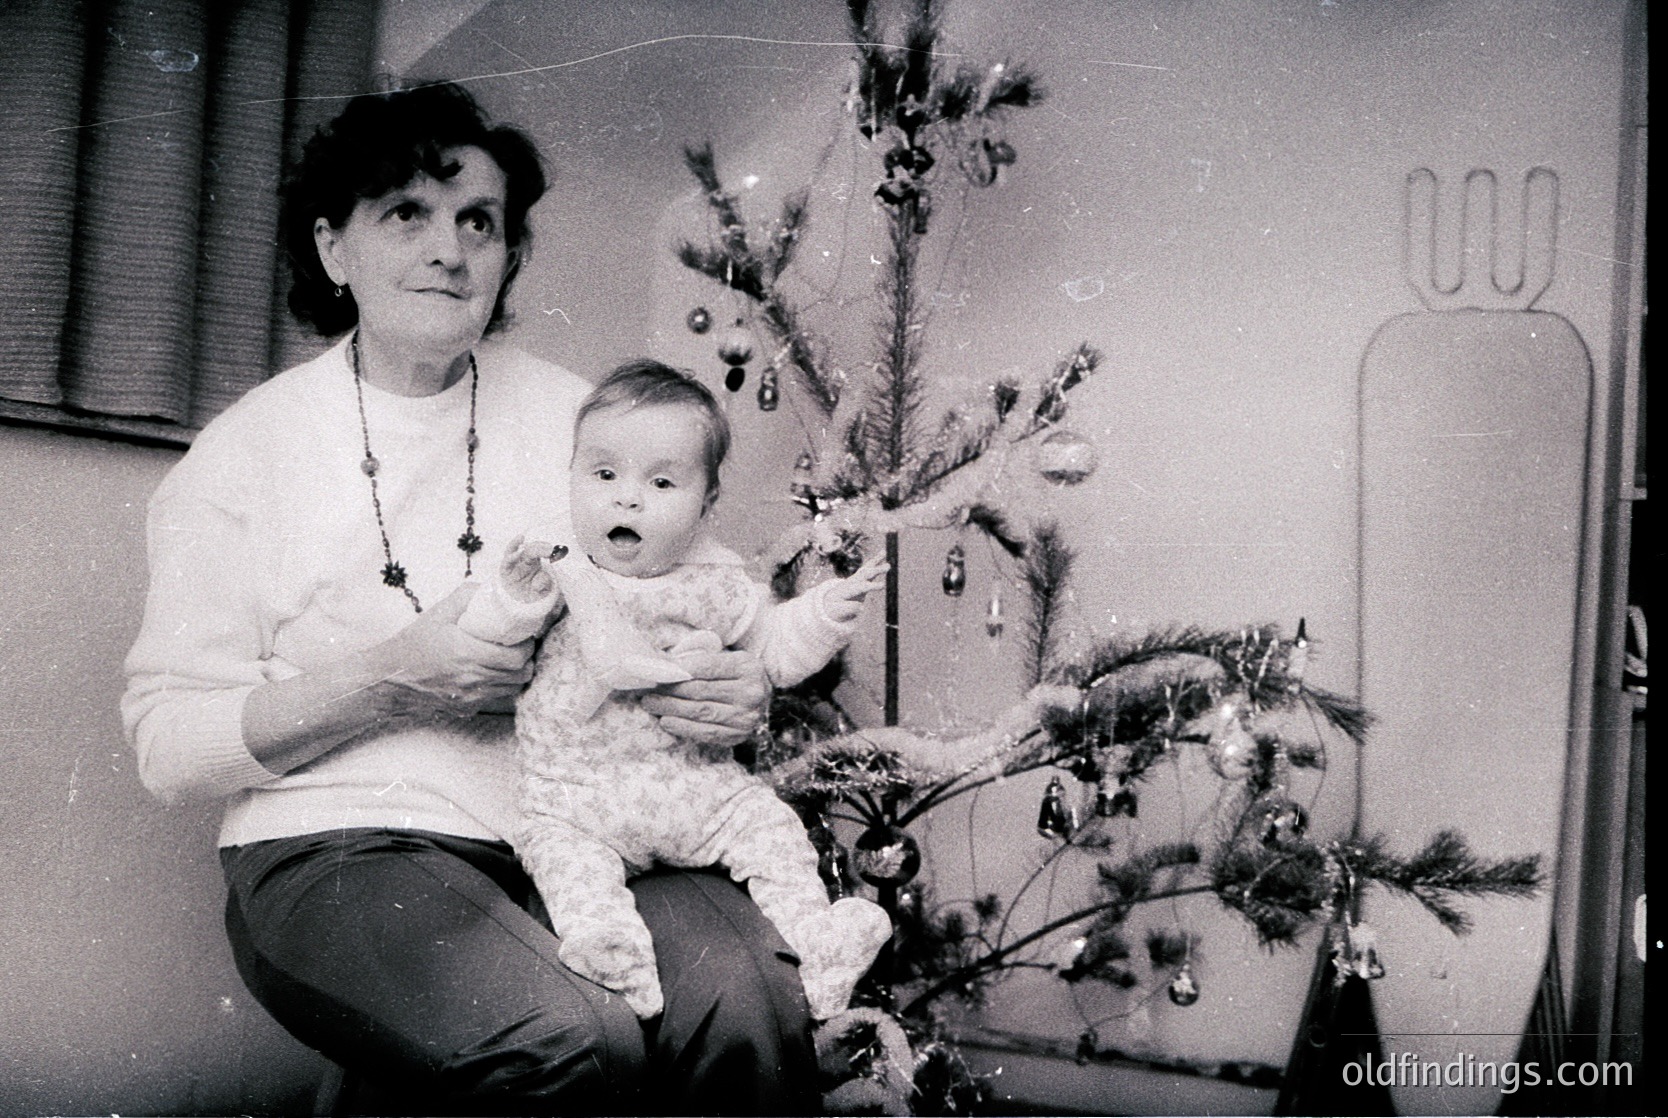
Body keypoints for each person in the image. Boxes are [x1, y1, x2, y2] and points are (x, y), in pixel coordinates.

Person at [121, 83, 819, 1115]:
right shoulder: (245, 453)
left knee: (749, 1003)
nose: (447, 249)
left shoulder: (574, 414)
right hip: (341, 841)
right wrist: (392, 682)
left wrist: (737, 688)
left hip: (585, 828)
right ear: (333, 249)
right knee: (571, 1037)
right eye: (405, 212)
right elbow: (166, 745)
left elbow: (714, 598)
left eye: (478, 221)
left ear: (505, 255)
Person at [456, 361, 893, 1023]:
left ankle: (818, 942)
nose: (627, 499)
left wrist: (827, 610)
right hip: (579, 794)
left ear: (706, 502)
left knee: (771, 828)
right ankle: (610, 948)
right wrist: (513, 596)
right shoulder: (561, 568)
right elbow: (490, 640)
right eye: (603, 476)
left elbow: (776, 651)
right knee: (562, 857)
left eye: (661, 482)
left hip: (695, 790)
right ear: (572, 476)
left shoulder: (717, 581)